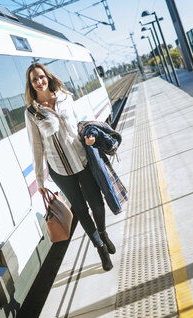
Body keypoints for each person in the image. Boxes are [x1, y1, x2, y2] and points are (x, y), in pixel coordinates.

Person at [24, 63, 115, 271]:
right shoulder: (32, 112)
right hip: (60, 171)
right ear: (30, 85)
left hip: (81, 161)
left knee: (97, 204)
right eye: (34, 80)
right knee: (81, 211)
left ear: (47, 76)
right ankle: (101, 248)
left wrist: (90, 138)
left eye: (41, 77)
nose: (39, 82)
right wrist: (40, 180)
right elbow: (36, 147)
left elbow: (79, 124)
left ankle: (103, 233)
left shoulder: (65, 97)